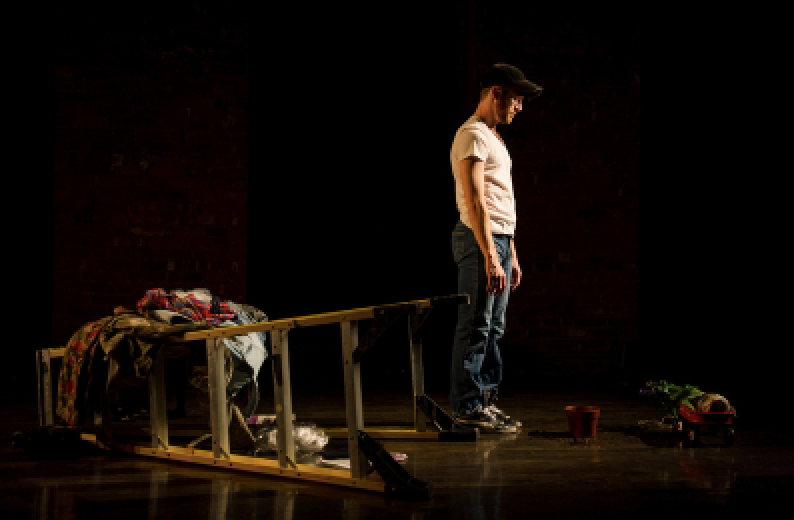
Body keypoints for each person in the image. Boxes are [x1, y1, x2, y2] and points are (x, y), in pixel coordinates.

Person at [449, 63, 542, 432]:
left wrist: (511, 253)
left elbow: (502, 202)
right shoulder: (471, 135)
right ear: (496, 93)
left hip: (499, 239)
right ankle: (467, 407)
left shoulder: (494, 138)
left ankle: (486, 402)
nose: (519, 106)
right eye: (516, 98)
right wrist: (490, 255)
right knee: (475, 325)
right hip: (478, 238)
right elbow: (476, 201)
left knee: (494, 327)